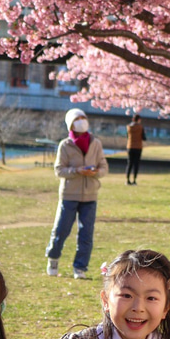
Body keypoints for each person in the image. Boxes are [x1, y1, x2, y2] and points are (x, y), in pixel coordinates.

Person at [45, 108, 108, 280]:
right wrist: (77, 170)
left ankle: (80, 268)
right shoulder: (65, 145)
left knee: (86, 234)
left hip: (90, 195)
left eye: (83, 117)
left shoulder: (96, 143)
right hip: (69, 195)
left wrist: (95, 172)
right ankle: (53, 258)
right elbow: (59, 170)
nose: (81, 120)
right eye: (77, 118)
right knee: (61, 230)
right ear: (70, 124)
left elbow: (104, 167)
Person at [126, 114, 146, 185]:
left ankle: (127, 179)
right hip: (138, 147)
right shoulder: (140, 127)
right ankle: (134, 180)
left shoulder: (128, 127)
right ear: (139, 120)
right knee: (136, 164)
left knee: (129, 163)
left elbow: (127, 136)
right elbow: (144, 138)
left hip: (130, 146)